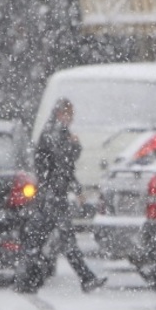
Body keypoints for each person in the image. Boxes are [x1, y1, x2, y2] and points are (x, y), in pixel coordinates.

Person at [23, 97, 106, 292]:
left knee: (49, 238)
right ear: (61, 113)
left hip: (51, 194)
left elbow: (65, 167)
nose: (72, 118)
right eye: (69, 114)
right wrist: (74, 146)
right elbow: (62, 163)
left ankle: (30, 277)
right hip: (51, 195)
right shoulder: (54, 132)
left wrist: (76, 189)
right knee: (57, 238)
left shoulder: (57, 131)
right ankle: (29, 277)